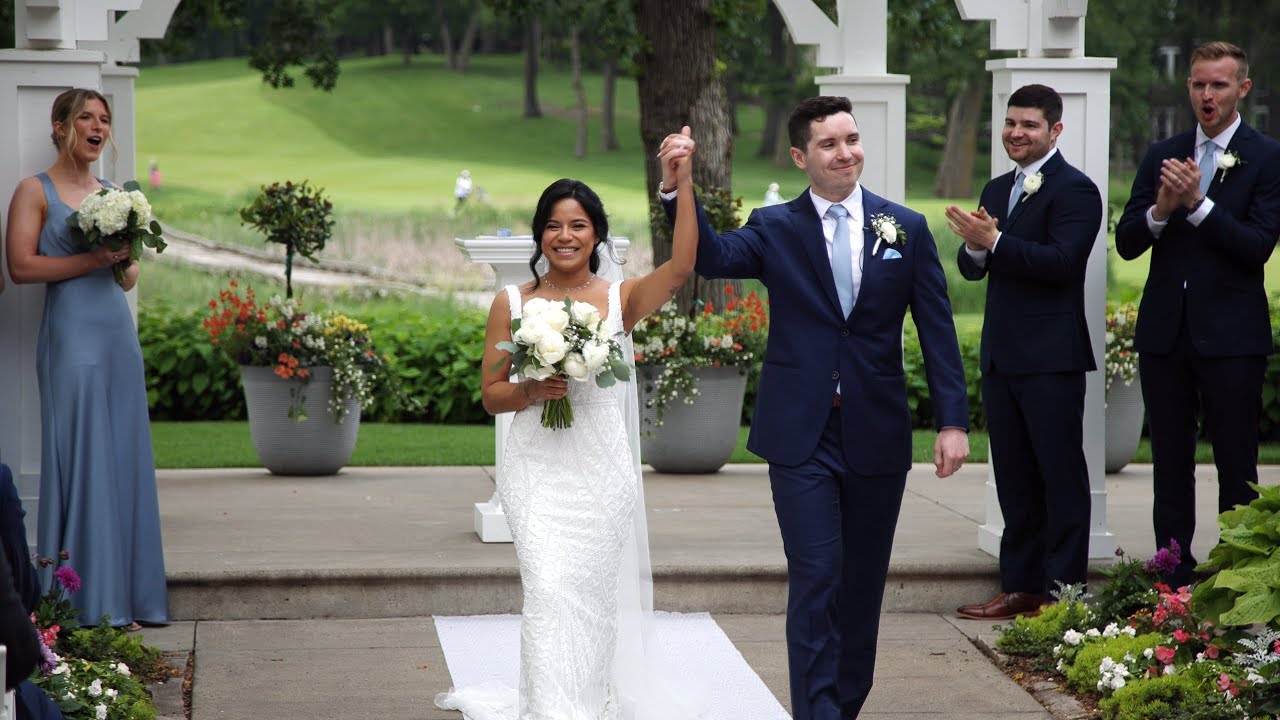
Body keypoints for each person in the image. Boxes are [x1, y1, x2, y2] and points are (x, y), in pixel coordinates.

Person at [659, 96, 970, 719]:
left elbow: (937, 330)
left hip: (877, 433)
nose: (845, 152)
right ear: (801, 156)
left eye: (851, 139)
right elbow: (712, 258)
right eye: (829, 144)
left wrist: (953, 421)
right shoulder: (774, 226)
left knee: (859, 588)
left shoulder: (904, 228)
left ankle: (845, 703)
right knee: (816, 575)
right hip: (801, 435)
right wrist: (678, 189)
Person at [435, 130, 707, 718]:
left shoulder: (620, 300)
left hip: (600, 472)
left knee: (590, 598)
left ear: (597, 236)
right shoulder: (511, 302)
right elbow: (490, 395)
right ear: (539, 234)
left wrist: (679, 184)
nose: (565, 235)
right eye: (555, 225)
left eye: (578, 225)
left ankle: (590, 701)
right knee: (550, 591)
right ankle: (551, 710)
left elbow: (683, 266)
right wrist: (532, 390)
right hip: (537, 473)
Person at [1115, 41, 1280, 589]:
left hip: (1233, 337)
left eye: (1219, 85)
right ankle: (1172, 569)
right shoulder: (1163, 151)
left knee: (1236, 461)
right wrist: (1162, 209)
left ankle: (1238, 572)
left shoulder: (1267, 157)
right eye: (1198, 85)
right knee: (1169, 461)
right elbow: (1128, 242)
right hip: (1166, 332)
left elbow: (1256, 245)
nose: (1207, 95)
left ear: (1242, 89)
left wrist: (1199, 205)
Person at [4, 88, 169, 628]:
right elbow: (22, 268)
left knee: (122, 458)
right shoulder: (35, 191)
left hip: (116, 340)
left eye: (104, 120)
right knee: (79, 456)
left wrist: (123, 256)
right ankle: (81, 601)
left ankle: (133, 598)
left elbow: (126, 281)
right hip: (71, 340)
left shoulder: (117, 193)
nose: (97, 128)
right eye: (84, 119)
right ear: (59, 127)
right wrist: (91, 258)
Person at [946, 84, 1102, 620]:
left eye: (1029, 125)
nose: (1016, 132)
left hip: (1052, 358)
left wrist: (995, 243)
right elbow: (974, 269)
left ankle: (1064, 597)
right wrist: (974, 245)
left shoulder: (1077, 191)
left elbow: (1062, 263)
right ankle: (1020, 588)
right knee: (1013, 477)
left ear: (1055, 130)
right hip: (1003, 356)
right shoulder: (997, 185)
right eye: (1011, 122)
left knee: (1059, 477)